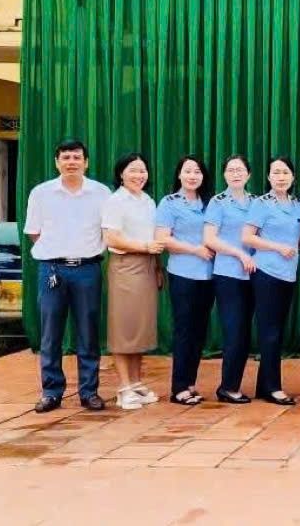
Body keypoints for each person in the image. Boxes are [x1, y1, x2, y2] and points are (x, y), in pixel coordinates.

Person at [26, 139, 111, 413]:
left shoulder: (101, 193)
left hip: (87, 269)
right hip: (52, 269)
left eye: (76, 157)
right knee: (51, 333)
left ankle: (89, 391)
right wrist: (56, 252)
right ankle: (51, 392)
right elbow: (33, 232)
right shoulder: (41, 193)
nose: (71, 162)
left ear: (86, 162)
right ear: (57, 162)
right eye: (65, 157)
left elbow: (108, 230)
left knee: (88, 331)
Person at [101, 152, 164, 410]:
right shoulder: (115, 201)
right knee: (123, 328)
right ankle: (124, 387)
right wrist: (144, 247)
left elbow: (154, 236)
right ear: (121, 174)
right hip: (126, 266)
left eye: (142, 170)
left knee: (140, 327)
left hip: (147, 266)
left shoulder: (148, 201)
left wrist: (157, 266)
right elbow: (112, 238)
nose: (139, 175)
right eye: (133, 170)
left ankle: (136, 383)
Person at [242, 156, 300, 405]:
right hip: (266, 272)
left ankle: (264, 385)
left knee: (277, 330)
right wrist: (277, 247)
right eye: (276, 173)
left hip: (288, 274)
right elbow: (247, 237)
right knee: (270, 332)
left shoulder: (298, 204)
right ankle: (272, 387)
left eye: (285, 172)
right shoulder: (261, 203)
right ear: (268, 177)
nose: (281, 177)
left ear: (293, 177)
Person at [155, 155, 216, 405]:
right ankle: (178, 387)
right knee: (184, 330)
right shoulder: (169, 203)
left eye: (197, 172)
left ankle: (190, 383)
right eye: (188, 171)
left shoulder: (210, 203)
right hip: (183, 274)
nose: (192, 176)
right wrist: (195, 250)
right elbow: (162, 238)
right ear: (179, 175)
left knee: (199, 330)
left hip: (209, 275)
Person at [203, 154, 257, 404]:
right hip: (228, 274)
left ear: (248, 174)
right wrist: (239, 253)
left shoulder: (256, 202)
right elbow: (210, 239)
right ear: (224, 175)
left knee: (244, 332)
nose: (236, 174)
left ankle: (233, 384)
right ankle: (227, 387)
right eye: (231, 170)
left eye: (240, 170)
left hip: (254, 274)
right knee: (234, 331)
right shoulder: (218, 202)